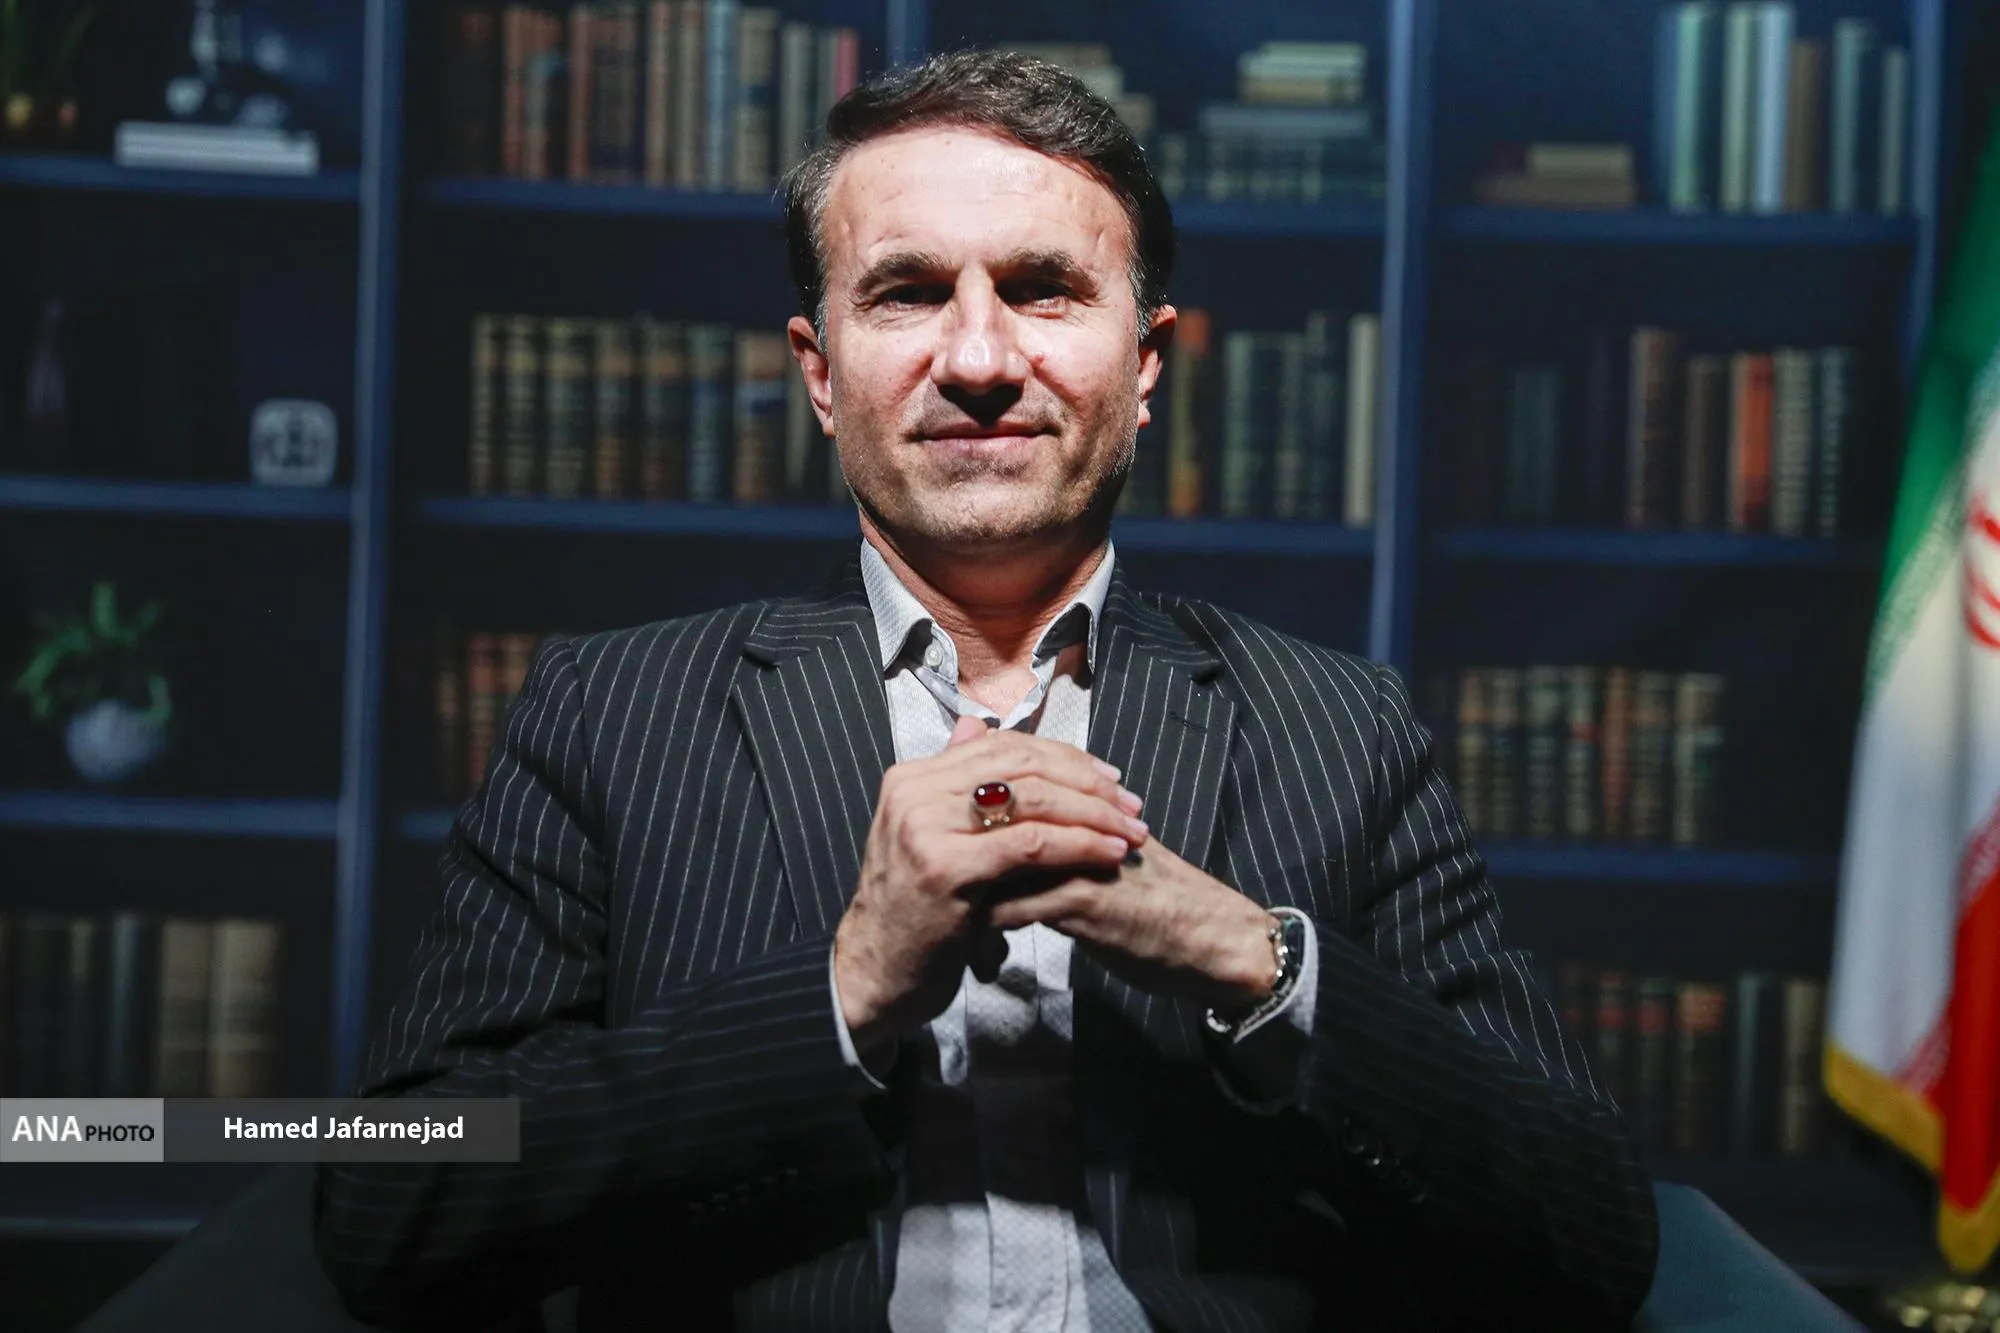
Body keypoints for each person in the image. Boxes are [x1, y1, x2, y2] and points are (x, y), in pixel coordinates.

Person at [315, 49, 1658, 1332]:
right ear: (820, 372)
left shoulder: (1340, 729)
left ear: (1145, 365)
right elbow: (386, 1203)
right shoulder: (610, 714)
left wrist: (1257, 964)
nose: (977, 359)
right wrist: (845, 989)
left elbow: (1593, 1236)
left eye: (1042, 289)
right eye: (906, 293)